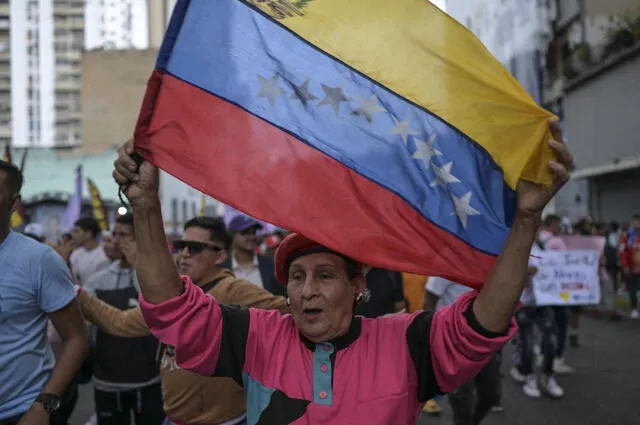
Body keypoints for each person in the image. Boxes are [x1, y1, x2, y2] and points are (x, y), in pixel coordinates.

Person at [111, 119, 573, 424]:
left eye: (326, 275)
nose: (307, 290)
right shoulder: (256, 334)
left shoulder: (406, 343)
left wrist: (526, 220)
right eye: (296, 276)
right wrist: (146, 207)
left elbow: (483, 324)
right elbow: (170, 310)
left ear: (357, 286)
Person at [75, 215, 289, 425]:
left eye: (194, 248)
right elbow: (119, 322)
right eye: (181, 246)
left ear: (220, 256)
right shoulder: (175, 295)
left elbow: (289, 313)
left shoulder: (233, 290)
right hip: (174, 419)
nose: (184, 254)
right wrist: (73, 293)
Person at [0, 160, 90, 425]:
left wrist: (43, 407)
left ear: (14, 202)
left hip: (20, 411)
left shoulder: (39, 260)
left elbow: (77, 338)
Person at [82, 213, 164, 425]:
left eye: (124, 236)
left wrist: (139, 265)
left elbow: (156, 305)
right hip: (107, 381)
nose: (116, 241)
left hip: (149, 380)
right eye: (115, 234)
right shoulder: (99, 279)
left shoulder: (158, 277)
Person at [424, 277, 504, 423]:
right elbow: (430, 298)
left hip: (484, 340)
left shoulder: (491, 263)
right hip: (454, 343)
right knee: (462, 402)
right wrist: (431, 338)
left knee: (491, 395)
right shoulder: (448, 264)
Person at [509, 246, 565, 399]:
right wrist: (525, 271)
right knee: (527, 341)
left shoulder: (542, 248)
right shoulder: (511, 244)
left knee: (551, 340)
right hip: (523, 303)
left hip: (543, 301)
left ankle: (548, 375)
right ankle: (529, 376)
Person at [538, 214, 575, 374]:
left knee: (547, 324)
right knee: (560, 324)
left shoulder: (536, 240)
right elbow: (566, 262)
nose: (559, 228)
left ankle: (542, 354)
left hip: (541, 289)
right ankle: (557, 359)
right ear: (553, 224)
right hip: (558, 290)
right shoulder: (557, 241)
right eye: (558, 225)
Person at [226, 214, 285, 295]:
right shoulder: (221, 267)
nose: (252, 237)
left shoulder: (271, 264)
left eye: (254, 232)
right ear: (232, 235)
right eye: (245, 232)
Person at [69, 217, 111, 287]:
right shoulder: (76, 253)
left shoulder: (105, 253)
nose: (73, 235)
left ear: (88, 234)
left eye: (76, 232)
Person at [619, 215, 640, 319]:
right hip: (632, 267)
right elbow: (622, 251)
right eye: (635, 222)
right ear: (632, 223)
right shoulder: (626, 235)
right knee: (633, 289)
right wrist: (625, 265)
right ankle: (634, 309)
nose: (637, 224)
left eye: (639, 222)